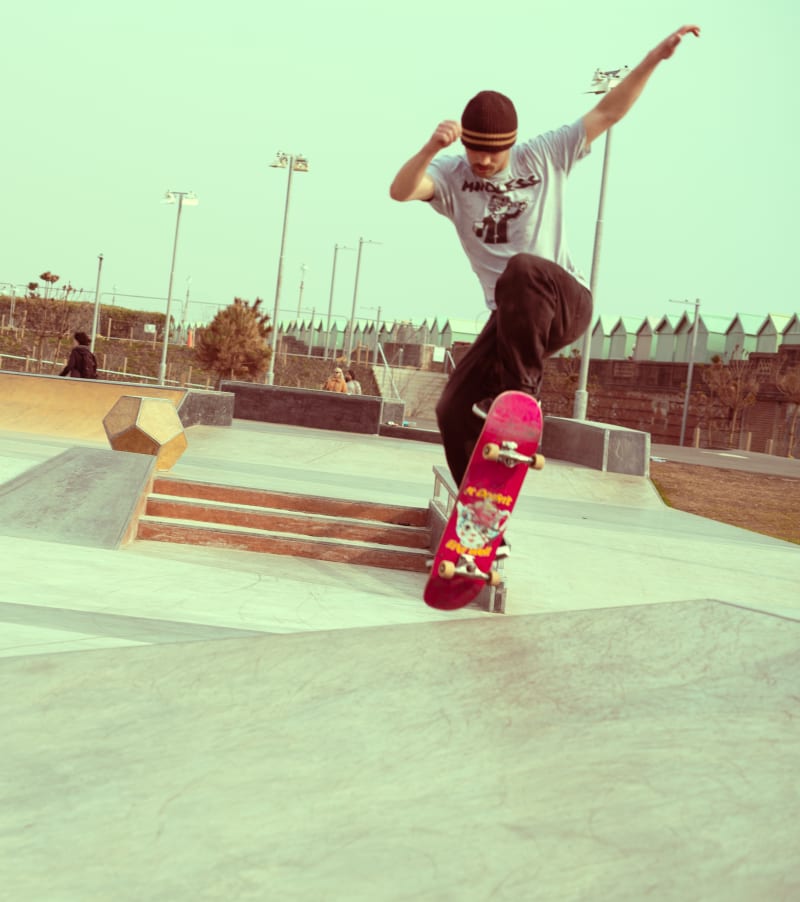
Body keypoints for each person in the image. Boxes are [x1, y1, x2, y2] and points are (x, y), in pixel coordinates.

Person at [390, 25, 700, 493]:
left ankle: (520, 398)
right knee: (450, 408)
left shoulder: (546, 154)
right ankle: (480, 506)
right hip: (511, 323)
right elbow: (401, 191)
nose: (485, 162)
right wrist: (433, 148)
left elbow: (608, 110)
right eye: (476, 151)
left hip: (563, 303)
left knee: (521, 269)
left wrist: (654, 58)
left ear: (511, 144)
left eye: (495, 153)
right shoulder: (450, 175)